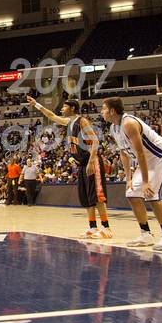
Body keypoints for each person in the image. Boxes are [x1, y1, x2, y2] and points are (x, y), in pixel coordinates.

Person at [29, 96, 112, 238]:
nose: (62, 109)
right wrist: (36, 104)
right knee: (86, 197)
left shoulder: (82, 121)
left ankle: (106, 228)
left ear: (73, 108)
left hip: (92, 162)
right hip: (82, 164)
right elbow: (51, 115)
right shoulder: (69, 122)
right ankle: (92, 227)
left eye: (65, 106)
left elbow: (95, 141)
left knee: (97, 197)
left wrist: (91, 161)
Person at [101, 97, 162, 251]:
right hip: (146, 162)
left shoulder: (128, 123)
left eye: (103, 108)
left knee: (152, 196)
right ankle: (146, 233)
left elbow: (141, 153)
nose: (101, 112)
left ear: (112, 111)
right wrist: (128, 178)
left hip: (161, 157)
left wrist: (146, 181)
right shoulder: (114, 128)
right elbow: (124, 153)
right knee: (132, 194)